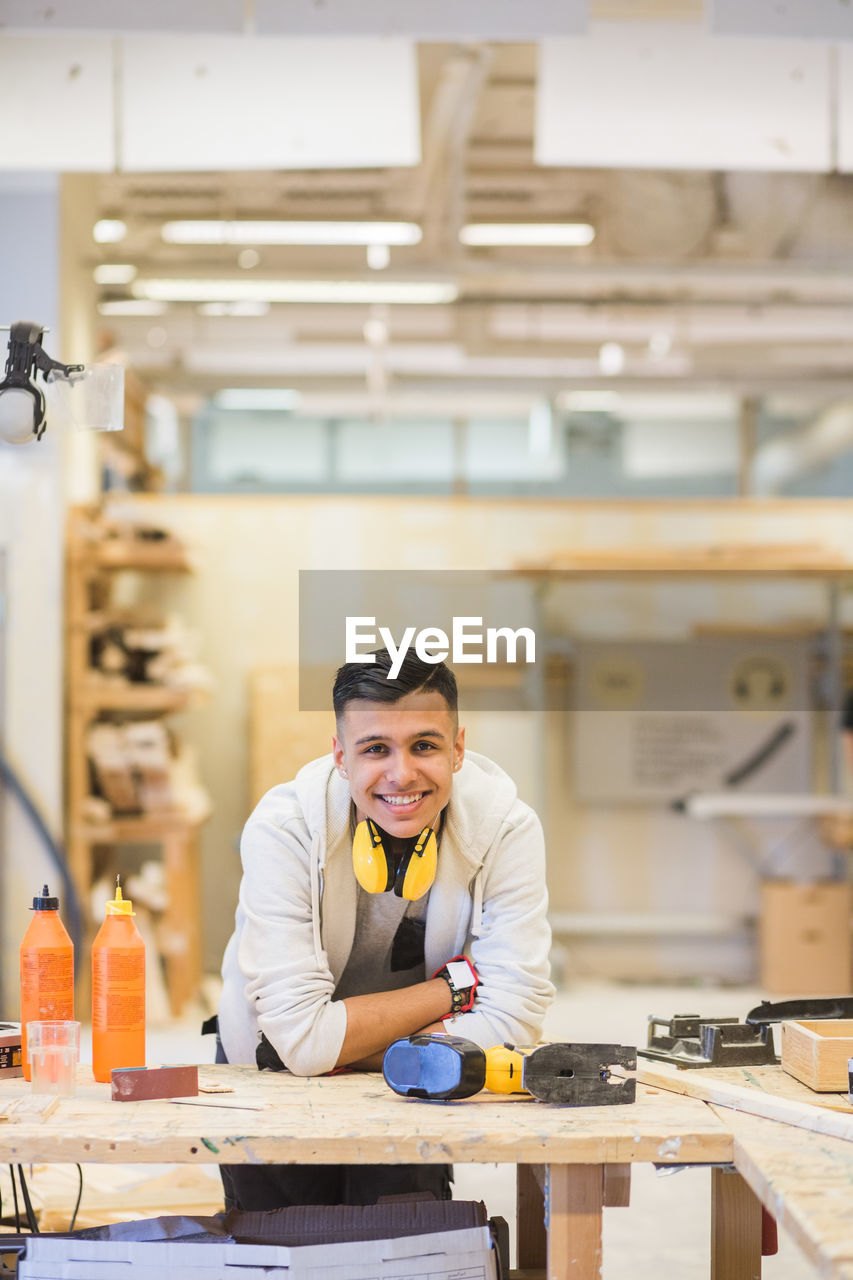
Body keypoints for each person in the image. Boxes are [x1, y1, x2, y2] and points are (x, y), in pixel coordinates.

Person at [216, 647, 554, 1210]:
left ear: (459, 749)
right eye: (375, 749)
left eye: (425, 745)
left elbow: (517, 1019)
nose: (402, 774)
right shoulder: (284, 828)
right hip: (271, 1075)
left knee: (405, 1246)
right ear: (340, 757)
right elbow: (297, 1044)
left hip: (412, 1086)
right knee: (280, 1246)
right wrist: (452, 990)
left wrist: (338, 1047)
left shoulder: (506, 827)